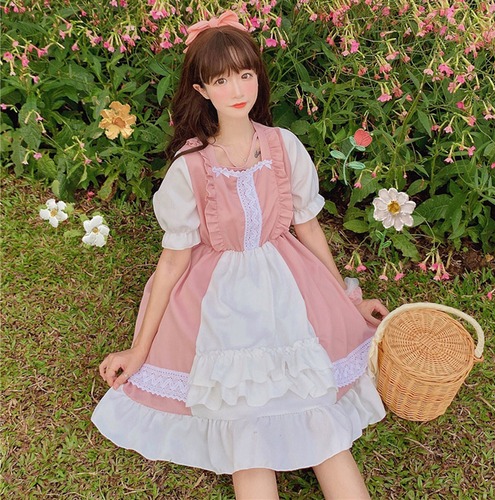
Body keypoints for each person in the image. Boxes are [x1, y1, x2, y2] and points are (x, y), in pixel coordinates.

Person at [92, 11, 389, 499]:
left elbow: (308, 229)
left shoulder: (283, 146)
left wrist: (346, 299)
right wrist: (139, 349)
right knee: (244, 428)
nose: (237, 89)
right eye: (221, 79)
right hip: (220, 304)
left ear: (258, 77)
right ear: (202, 89)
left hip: (288, 288)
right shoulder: (191, 167)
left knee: (320, 417)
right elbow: (172, 262)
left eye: (246, 74)